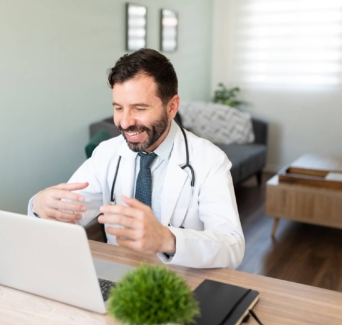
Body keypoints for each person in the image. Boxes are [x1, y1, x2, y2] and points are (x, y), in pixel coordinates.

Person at [28, 49, 244, 269]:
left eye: (139, 108)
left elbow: (232, 247)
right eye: (118, 108)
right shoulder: (106, 154)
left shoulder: (209, 160)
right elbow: (66, 215)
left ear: (172, 107)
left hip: (182, 285)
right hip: (123, 281)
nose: (124, 122)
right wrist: (39, 205)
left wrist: (167, 239)